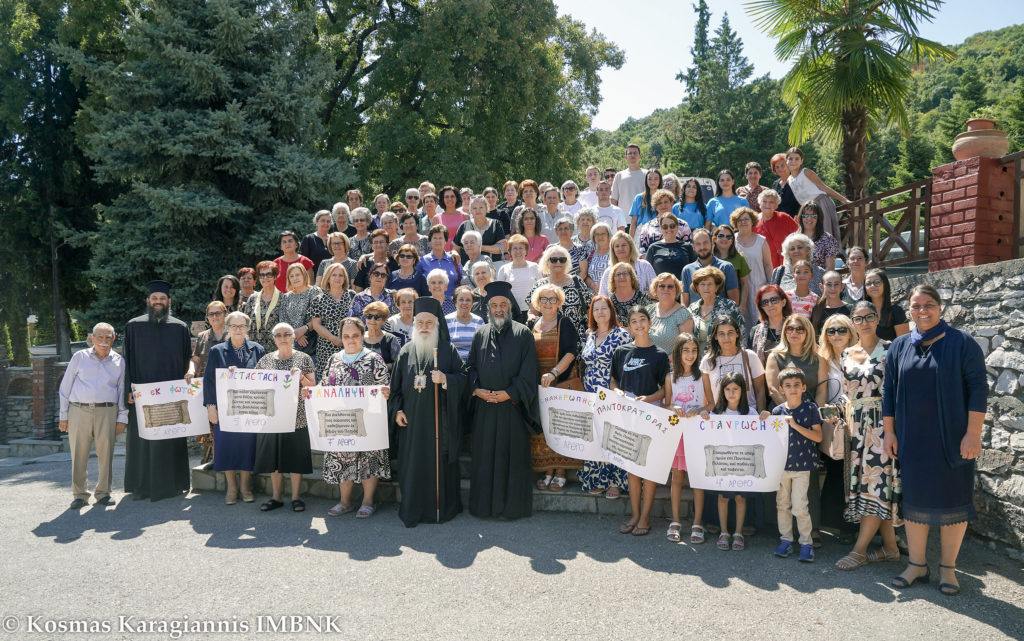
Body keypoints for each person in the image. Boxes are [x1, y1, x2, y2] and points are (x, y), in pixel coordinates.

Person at [883, 285, 986, 595]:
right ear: (910, 310)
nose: (922, 311)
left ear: (940, 308)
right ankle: (917, 565)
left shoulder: (962, 343)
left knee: (953, 501)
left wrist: (973, 433)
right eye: (916, 306)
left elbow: (978, 388)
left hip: (953, 438)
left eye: (928, 304)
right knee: (915, 503)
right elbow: (889, 391)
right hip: (912, 438)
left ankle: (948, 569)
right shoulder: (899, 346)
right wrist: (890, 431)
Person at [832, 302, 901, 570]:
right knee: (869, 485)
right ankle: (891, 549)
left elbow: (898, 390)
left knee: (877, 484)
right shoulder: (846, 353)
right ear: (853, 322)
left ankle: (859, 551)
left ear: (877, 318)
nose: (865, 322)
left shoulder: (892, 348)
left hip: (883, 425)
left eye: (869, 317)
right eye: (858, 318)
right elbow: (846, 394)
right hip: (855, 427)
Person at [466, 281, 542, 520]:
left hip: (512, 407)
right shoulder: (480, 333)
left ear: (510, 307)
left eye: (503, 305)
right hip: (485, 407)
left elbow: (529, 371)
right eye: (494, 305)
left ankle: (512, 509)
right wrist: (477, 390)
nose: (498, 309)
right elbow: (470, 367)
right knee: (485, 457)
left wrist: (509, 393)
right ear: (488, 308)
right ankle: (484, 507)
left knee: (512, 458)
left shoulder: (523, 333)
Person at [390, 298, 467, 527]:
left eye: (429, 322)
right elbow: (395, 388)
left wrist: (446, 379)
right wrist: (397, 410)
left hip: (439, 423)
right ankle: (413, 509)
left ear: (436, 325)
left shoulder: (447, 349)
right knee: (413, 465)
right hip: (412, 424)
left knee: (438, 464)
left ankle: (441, 509)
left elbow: (464, 379)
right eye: (420, 322)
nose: (424, 326)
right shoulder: (406, 351)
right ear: (414, 325)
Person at [123, 281, 193, 501]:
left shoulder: (179, 327)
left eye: (162, 299)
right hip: (142, 396)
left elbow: (186, 360)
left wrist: (186, 390)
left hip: (171, 396)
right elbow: (127, 360)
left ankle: (174, 485)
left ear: (169, 301)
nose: (158, 302)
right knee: (143, 441)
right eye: (154, 298)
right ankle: (141, 487)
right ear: (148, 301)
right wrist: (128, 389)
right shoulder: (134, 326)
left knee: (170, 439)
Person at [322, 317, 392, 519]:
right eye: (346, 336)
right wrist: (311, 393)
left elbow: (385, 386)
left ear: (362, 336)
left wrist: (386, 392)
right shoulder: (333, 359)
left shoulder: (374, 359)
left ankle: (368, 502)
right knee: (342, 459)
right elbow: (325, 386)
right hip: (341, 421)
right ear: (341, 337)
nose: (350, 339)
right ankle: (345, 502)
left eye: (355, 335)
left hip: (369, 420)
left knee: (370, 460)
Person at [611, 306, 670, 537]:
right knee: (632, 469)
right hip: (627, 416)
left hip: (650, 416)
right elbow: (613, 381)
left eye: (642, 319)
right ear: (629, 326)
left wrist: (649, 398)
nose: (639, 324)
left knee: (648, 468)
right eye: (634, 321)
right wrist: (617, 392)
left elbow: (665, 390)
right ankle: (635, 515)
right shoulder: (621, 352)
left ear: (650, 322)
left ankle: (646, 517)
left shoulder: (660, 355)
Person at [59, 322, 127, 509]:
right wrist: (63, 416)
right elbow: (65, 388)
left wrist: (122, 418)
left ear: (113, 339)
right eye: (100, 337)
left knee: (106, 454)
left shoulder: (119, 361)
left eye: (108, 337)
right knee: (78, 454)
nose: (104, 341)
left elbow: (122, 391)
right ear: (92, 338)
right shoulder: (79, 357)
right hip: (79, 410)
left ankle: (103, 493)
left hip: (107, 411)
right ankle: (80, 495)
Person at [203, 311, 266, 504]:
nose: (238, 329)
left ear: (247, 328)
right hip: (225, 409)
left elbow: (265, 378)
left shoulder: (257, 350)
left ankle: (245, 487)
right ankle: (231, 488)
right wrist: (210, 407)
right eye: (234, 326)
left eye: (242, 326)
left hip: (250, 408)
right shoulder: (217, 351)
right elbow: (209, 381)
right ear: (228, 328)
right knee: (227, 445)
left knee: (248, 446)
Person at [253, 323, 315, 512]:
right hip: (272, 419)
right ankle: (276, 497)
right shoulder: (265, 360)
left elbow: (313, 388)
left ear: (293, 337)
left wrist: (301, 378)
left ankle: (296, 497)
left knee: (295, 459)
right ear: (274, 339)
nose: (283, 338)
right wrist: (233, 374)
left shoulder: (304, 358)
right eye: (278, 335)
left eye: (287, 334)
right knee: (274, 461)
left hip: (298, 418)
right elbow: (253, 384)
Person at [529, 283, 581, 492]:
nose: (548, 303)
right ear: (538, 302)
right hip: (538, 386)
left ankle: (560, 473)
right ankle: (547, 471)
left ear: (559, 302)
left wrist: (554, 373)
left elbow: (571, 352)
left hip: (560, 383)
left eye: (552, 299)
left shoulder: (564, 323)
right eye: (544, 299)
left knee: (560, 428)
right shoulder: (531, 324)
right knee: (543, 429)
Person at [702, 372, 764, 551]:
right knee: (722, 498)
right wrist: (705, 417)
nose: (731, 393)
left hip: (742, 464)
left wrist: (765, 418)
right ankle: (724, 532)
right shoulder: (717, 412)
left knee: (740, 498)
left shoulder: (751, 413)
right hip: (723, 463)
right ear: (722, 391)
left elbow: (761, 434)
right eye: (727, 389)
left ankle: (738, 533)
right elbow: (707, 433)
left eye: (735, 389)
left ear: (742, 390)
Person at [577, 296, 632, 497]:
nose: (600, 312)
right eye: (596, 309)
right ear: (591, 313)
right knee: (596, 436)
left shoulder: (621, 335)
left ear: (611, 311)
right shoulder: (590, 335)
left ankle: (616, 482)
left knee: (613, 436)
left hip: (612, 392)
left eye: (604, 308)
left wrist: (619, 389)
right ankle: (597, 478)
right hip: (590, 393)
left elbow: (627, 366)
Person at [815, 313, 859, 545]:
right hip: (834, 422)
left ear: (851, 332)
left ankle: (861, 525)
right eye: (831, 331)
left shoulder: (861, 354)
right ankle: (842, 526)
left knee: (857, 475)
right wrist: (823, 416)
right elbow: (822, 392)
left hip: (860, 420)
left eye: (842, 329)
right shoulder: (823, 359)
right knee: (836, 474)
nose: (837, 334)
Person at [771, 367, 823, 562]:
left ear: (803, 387)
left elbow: (818, 437)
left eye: (796, 385)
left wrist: (795, 425)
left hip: (802, 467)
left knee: (800, 506)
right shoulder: (777, 411)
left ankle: (806, 543)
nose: (792, 389)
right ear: (781, 389)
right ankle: (786, 540)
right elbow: (772, 439)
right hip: (782, 467)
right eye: (788, 385)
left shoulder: (810, 409)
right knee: (782, 504)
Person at [667, 333, 710, 543]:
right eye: (686, 351)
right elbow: (667, 403)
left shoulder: (703, 376)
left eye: (694, 351)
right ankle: (675, 520)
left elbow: (711, 403)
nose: (690, 355)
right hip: (678, 434)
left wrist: (700, 410)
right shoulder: (670, 377)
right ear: (678, 352)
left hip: (697, 434)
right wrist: (672, 407)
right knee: (676, 477)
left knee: (697, 479)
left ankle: (697, 522)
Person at [526, 245, 593, 345]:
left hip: (577, 340)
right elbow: (532, 311)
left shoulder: (577, 282)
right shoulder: (539, 285)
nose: (558, 263)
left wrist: (591, 330)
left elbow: (589, 309)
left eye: (562, 260)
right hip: (547, 341)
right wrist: (531, 316)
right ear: (547, 262)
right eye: (553, 260)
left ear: (567, 262)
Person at [785, 146, 850, 240]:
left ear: (801, 161)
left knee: (824, 234)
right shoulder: (789, 180)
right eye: (790, 159)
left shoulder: (806, 172)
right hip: (807, 209)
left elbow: (823, 187)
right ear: (786, 160)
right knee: (810, 237)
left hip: (820, 203)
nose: (793, 161)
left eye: (797, 159)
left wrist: (844, 200)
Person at [309, 263, 356, 381]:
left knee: (350, 380)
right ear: (328, 278)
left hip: (350, 345)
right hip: (326, 346)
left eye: (341, 275)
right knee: (327, 381)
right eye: (334, 275)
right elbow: (316, 324)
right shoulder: (319, 299)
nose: (337, 278)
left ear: (345, 278)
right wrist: (333, 338)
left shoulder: (352, 295)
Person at [765, 314, 819, 408]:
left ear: (808, 333)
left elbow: (821, 391)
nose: (794, 332)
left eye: (800, 329)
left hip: (811, 412)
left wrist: (815, 412)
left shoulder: (818, 358)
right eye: (789, 328)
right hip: (783, 412)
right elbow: (773, 390)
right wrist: (792, 411)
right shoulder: (774, 356)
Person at [732, 207, 773, 328]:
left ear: (752, 221)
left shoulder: (761, 240)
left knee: (760, 320)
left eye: (746, 219)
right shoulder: (731, 240)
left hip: (758, 286)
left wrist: (771, 286)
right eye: (740, 220)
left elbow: (768, 265)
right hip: (739, 289)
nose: (743, 222)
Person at [688, 267, 745, 353]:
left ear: (717, 287)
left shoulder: (729, 306)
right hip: (697, 359)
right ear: (697, 287)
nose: (706, 287)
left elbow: (741, 334)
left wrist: (740, 356)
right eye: (702, 284)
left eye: (710, 284)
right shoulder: (692, 309)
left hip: (723, 358)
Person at [680, 229, 740, 306]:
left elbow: (734, 302)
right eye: (698, 244)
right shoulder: (687, 270)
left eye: (705, 243)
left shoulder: (726, 267)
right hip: (694, 314)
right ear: (693, 247)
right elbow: (684, 303)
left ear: (712, 243)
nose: (702, 247)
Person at [278, 263, 320, 360]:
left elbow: (319, 316)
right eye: (291, 276)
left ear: (304, 275)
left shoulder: (314, 291)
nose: (295, 278)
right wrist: (296, 335)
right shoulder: (286, 296)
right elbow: (283, 320)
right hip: (292, 344)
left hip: (312, 344)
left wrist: (304, 330)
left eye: (297, 275)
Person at [646, 273, 693, 357]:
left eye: (670, 287)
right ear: (655, 289)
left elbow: (685, 346)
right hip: (648, 360)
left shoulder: (683, 314)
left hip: (672, 362)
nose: (666, 289)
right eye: (662, 286)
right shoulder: (648, 310)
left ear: (676, 290)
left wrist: (664, 361)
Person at [597, 231, 656, 297]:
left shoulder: (644, 266)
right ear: (613, 250)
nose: (620, 248)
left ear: (631, 247)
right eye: (617, 246)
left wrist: (640, 297)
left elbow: (657, 291)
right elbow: (602, 297)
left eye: (624, 245)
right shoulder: (608, 272)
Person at [497, 234, 542, 318]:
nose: (518, 251)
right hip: (511, 313)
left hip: (533, 312)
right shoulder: (503, 269)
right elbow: (500, 293)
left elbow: (542, 289)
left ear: (526, 251)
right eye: (515, 248)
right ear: (510, 251)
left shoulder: (535, 267)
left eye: (521, 248)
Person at [713, 224, 752, 317]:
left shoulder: (739, 258)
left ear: (732, 241)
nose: (724, 239)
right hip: (711, 307)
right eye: (721, 236)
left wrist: (742, 306)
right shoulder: (709, 259)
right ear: (714, 239)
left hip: (733, 307)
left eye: (728, 237)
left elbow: (745, 284)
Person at [748, 284, 793, 365]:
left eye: (774, 300)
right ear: (761, 307)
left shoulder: (795, 326)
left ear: (783, 302)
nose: (770, 304)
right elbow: (750, 361)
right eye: (765, 302)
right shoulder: (755, 331)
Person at [754, 189, 798, 269]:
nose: (767, 205)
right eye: (764, 201)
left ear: (776, 205)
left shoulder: (784, 217)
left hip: (786, 264)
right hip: (764, 266)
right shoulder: (753, 222)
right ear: (759, 203)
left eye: (771, 202)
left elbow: (799, 236)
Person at [244, 261, 283, 353]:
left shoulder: (283, 298)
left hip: (276, 351)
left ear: (275, 276)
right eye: (262, 275)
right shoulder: (252, 298)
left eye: (269, 274)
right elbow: (245, 323)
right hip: (254, 351)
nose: (265, 278)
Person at [454, 196, 505, 263]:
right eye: (474, 208)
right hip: (468, 266)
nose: (478, 211)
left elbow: (503, 248)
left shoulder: (496, 224)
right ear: (470, 210)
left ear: (487, 208)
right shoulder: (464, 225)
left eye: (481, 207)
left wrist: (479, 247)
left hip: (491, 266)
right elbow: (456, 248)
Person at [644, 213, 695, 278]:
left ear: (677, 227)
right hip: (660, 284)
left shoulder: (687, 247)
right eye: (665, 227)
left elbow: (694, 270)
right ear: (660, 228)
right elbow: (646, 272)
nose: (669, 229)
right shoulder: (653, 248)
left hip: (683, 284)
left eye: (672, 226)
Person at [417, 225, 461, 300]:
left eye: (440, 238)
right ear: (430, 241)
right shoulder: (422, 261)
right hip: (431, 303)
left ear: (445, 240)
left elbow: (462, 280)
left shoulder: (454, 259)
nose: (437, 241)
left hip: (453, 303)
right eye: (435, 238)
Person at [865, 268, 909, 340]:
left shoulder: (896, 311)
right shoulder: (861, 313)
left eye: (877, 282)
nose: (872, 286)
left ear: (885, 285)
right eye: (868, 283)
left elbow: (904, 343)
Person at [796, 201, 839, 271]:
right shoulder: (792, 239)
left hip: (819, 277)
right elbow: (787, 264)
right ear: (801, 217)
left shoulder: (828, 239)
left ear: (819, 218)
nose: (809, 218)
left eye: (814, 216)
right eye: (806, 215)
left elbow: (830, 267)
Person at [446, 286, 484, 362]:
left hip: (474, 365)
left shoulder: (479, 321)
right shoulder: (446, 321)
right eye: (461, 300)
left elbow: (482, 348)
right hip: (452, 365)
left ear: (472, 303)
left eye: (468, 300)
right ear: (455, 302)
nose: (464, 303)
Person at [608, 263, 651, 327]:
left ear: (632, 277)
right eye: (618, 274)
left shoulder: (643, 298)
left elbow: (651, 322)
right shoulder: (609, 303)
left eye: (625, 273)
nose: (622, 277)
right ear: (613, 279)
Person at [362, 301, 401, 369]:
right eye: (369, 316)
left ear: (384, 321)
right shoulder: (358, 338)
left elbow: (399, 363)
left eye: (377, 317)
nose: (372, 320)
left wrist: (381, 367)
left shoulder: (390, 339)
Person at [610, 144, 646, 215]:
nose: (632, 155)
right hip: (623, 218)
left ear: (640, 156)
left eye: (635, 153)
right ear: (626, 157)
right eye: (630, 153)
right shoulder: (619, 176)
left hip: (643, 218)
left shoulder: (647, 174)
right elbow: (614, 200)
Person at [627, 168, 662, 242]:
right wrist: (630, 241)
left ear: (660, 181)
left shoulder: (664, 198)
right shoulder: (639, 198)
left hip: (659, 233)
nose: (652, 181)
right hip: (641, 234)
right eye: (650, 179)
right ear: (646, 181)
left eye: (656, 179)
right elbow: (633, 222)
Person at [769, 152, 801, 217]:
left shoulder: (797, 181)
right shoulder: (775, 184)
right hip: (778, 219)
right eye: (777, 167)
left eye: (782, 165)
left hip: (794, 219)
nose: (780, 169)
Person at [585, 222, 612, 294]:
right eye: (597, 234)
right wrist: (592, 284)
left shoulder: (615, 253)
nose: (600, 237)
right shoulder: (590, 254)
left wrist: (603, 284)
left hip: (610, 294)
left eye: (603, 234)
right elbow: (585, 275)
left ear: (608, 235)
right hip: (592, 295)